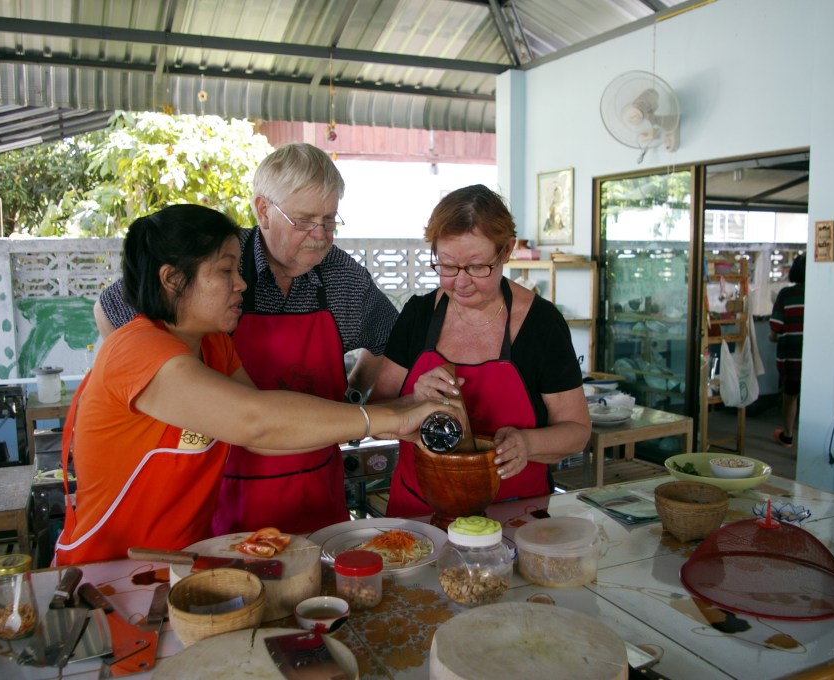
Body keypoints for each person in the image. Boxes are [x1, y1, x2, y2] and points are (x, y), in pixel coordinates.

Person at [56, 205, 456, 565]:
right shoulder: (136, 349)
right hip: (110, 573)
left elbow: (268, 437)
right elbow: (255, 421)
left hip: (182, 565)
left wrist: (398, 412)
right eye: (225, 271)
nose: (241, 284)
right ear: (173, 280)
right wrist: (385, 419)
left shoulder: (214, 346)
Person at [94, 143, 399, 535]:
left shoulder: (341, 276)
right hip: (218, 495)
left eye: (329, 220)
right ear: (264, 210)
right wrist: (169, 388)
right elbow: (111, 306)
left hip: (316, 490)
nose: (321, 235)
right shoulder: (219, 259)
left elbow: (390, 337)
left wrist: (355, 395)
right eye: (304, 221)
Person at [371, 185, 591, 518]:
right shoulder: (418, 316)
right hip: (419, 517)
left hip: (514, 519)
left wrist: (526, 444)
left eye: (476, 267)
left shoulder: (541, 325)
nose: (461, 282)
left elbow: (576, 431)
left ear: (506, 251)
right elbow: (374, 418)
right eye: (447, 265)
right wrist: (413, 401)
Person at [768, 253, 805, 448]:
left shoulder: (786, 294)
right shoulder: (821, 294)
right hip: (815, 358)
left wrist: (773, 336)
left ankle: (788, 436)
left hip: (791, 356)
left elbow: (776, 327)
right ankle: (812, 444)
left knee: (790, 395)